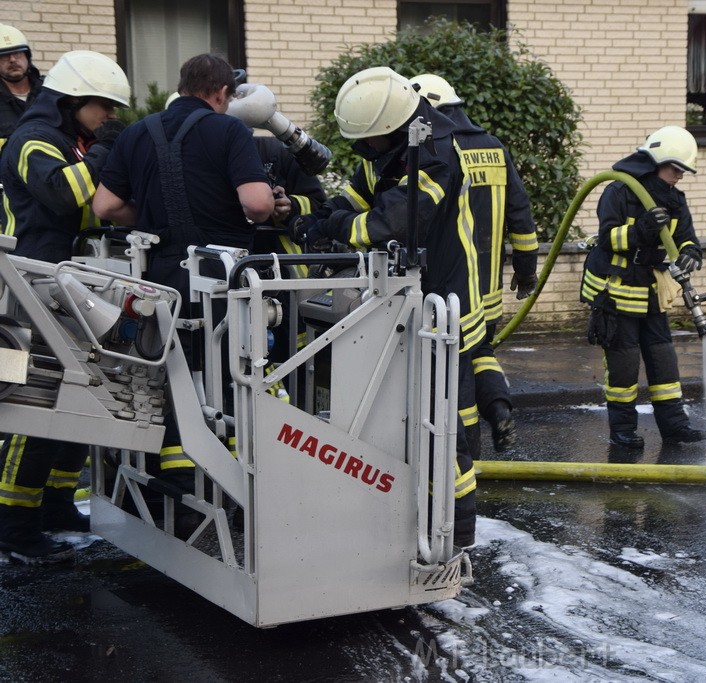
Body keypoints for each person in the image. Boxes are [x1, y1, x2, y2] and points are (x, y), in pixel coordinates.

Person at [294, 66, 481, 548]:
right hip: (408, 303)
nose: (366, 152)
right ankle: (405, 514)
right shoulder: (392, 148)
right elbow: (356, 199)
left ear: (392, 129)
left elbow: (391, 223)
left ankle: (456, 531)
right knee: (402, 413)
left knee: (442, 421)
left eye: (370, 143)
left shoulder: (435, 155)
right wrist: (307, 215)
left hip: (444, 303)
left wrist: (331, 228)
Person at [93, 54, 273, 523]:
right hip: (224, 280)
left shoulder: (137, 132)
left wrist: (151, 219)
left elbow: (105, 205)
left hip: (160, 280)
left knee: (174, 376)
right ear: (221, 93)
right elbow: (256, 204)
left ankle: (178, 488)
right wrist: (272, 206)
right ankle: (235, 489)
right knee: (232, 377)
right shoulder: (229, 131)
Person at [0, 50, 131, 563]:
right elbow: (61, 195)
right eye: (105, 107)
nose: (110, 117)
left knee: (69, 402)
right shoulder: (36, 138)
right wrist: (101, 156)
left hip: (50, 287)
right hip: (21, 295)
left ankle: (53, 505)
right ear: (75, 100)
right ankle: (12, 528)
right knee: (30, 409)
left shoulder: (65, 139)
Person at [409, 73, 539, 454]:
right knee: (481, 352)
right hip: (490, 290)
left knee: (454, 369)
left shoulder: (437, 148)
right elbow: (520, 213)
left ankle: (465, 453)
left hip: (447, 288)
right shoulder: (493, 147)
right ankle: (499, 408)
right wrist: (527, 271)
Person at [580, 125, 706, 449]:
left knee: (664, 361)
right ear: (655, 162)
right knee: (623, 367)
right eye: (675, 169)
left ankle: (675, 427)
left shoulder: (675, 200)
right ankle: (622, 432)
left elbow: (686, 237)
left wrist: (692, 252)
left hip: (650, 293)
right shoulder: (619, 191)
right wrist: (643, 228)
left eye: (683, 171)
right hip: (616, 293)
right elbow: (609, 238)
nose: (679, 176)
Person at [0, 23, 43, 152]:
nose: (12, 60)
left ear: (27, 57)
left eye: (18, 53)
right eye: (4, 56)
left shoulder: (49, 92)